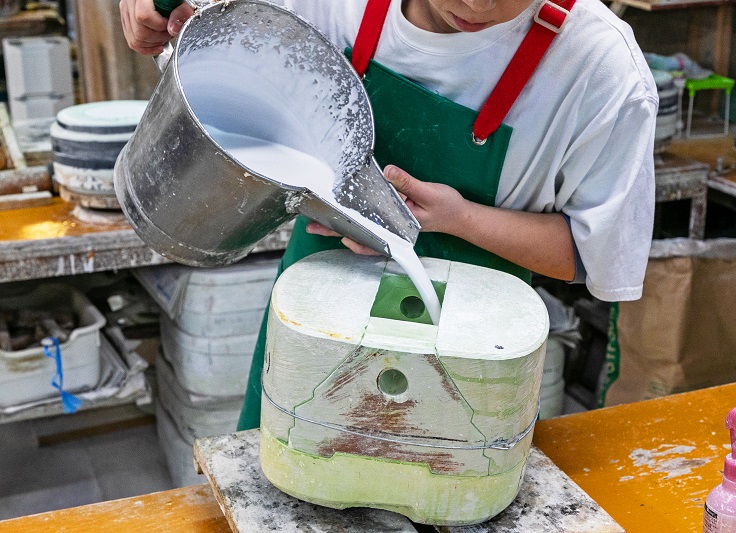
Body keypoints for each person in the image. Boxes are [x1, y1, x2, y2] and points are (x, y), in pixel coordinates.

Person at [120, 0, 657, 430]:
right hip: (313, 335)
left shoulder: (599, 69)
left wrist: (461, 219)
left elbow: (590, 257)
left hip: (467, 364)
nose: (477, 3)